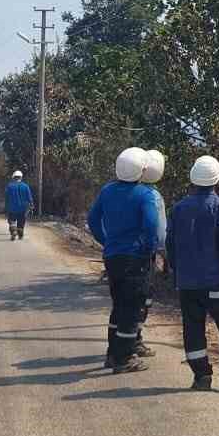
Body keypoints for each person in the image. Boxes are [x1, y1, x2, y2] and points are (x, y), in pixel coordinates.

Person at [166, 155, 219, 394]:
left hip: (187, 283)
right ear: (217, 179)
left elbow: (170, 244)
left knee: (193, 328)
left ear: (193, 178)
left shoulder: (179, 208)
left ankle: (201, 377)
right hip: (214, 281)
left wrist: (177, 271)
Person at [86, 147, 162, 373]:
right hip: (135, 258)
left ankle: (112, 354)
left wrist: (105, 241)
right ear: (140, 170)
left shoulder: (107, 190)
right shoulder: (145, 195)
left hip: (112, 257)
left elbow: (92, 219)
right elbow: (151, 228)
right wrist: (148, 250)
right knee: (131, 308)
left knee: (118, 306)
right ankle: (124, 358)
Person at [133, 149, 170, 357]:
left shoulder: (126, 188)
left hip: (121, 253)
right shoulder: (153, 196)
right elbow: (159, 230)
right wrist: (164, 253)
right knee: (143, 298)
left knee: (124, 299)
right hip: (144, 254)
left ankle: (123, 340)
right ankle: (135, 339)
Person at [4, 170, 33, 240]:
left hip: (12, 208)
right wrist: (31, 205)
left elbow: (6, 198)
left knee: (12, 221)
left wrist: (6, 207)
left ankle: (13, 231)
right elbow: (29, 197)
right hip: (23, 209)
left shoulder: (9, 186)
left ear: (13, 177)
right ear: (21, 177)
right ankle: (20, 234)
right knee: (21, 223)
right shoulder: (25, 186)